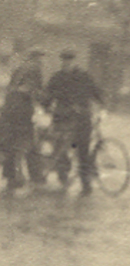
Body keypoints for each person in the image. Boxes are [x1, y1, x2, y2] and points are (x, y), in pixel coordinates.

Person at [42, 49, 103, 194]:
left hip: (82, 117)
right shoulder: (57, 77)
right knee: (61, 147)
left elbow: (95, 91)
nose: (67, 63)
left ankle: (86, 185)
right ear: (61, 61)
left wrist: (102, 105)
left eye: (69, 60)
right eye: (64, 60)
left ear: (74, 61)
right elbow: (48, 94)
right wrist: (46, 106)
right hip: (63, 117)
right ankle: (63, 175)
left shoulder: (83, 76)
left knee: (83, 150)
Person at [0, 48, 46, 189]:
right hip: (22, 115)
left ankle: (12, 178)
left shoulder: (19, 69)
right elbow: (36, 92)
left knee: (11, 146)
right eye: (40, 58)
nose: (41, 61)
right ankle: (34, 177)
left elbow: (11, 90)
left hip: (9, 113)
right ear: (36, 58)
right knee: (29, 145)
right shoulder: (34, 70)